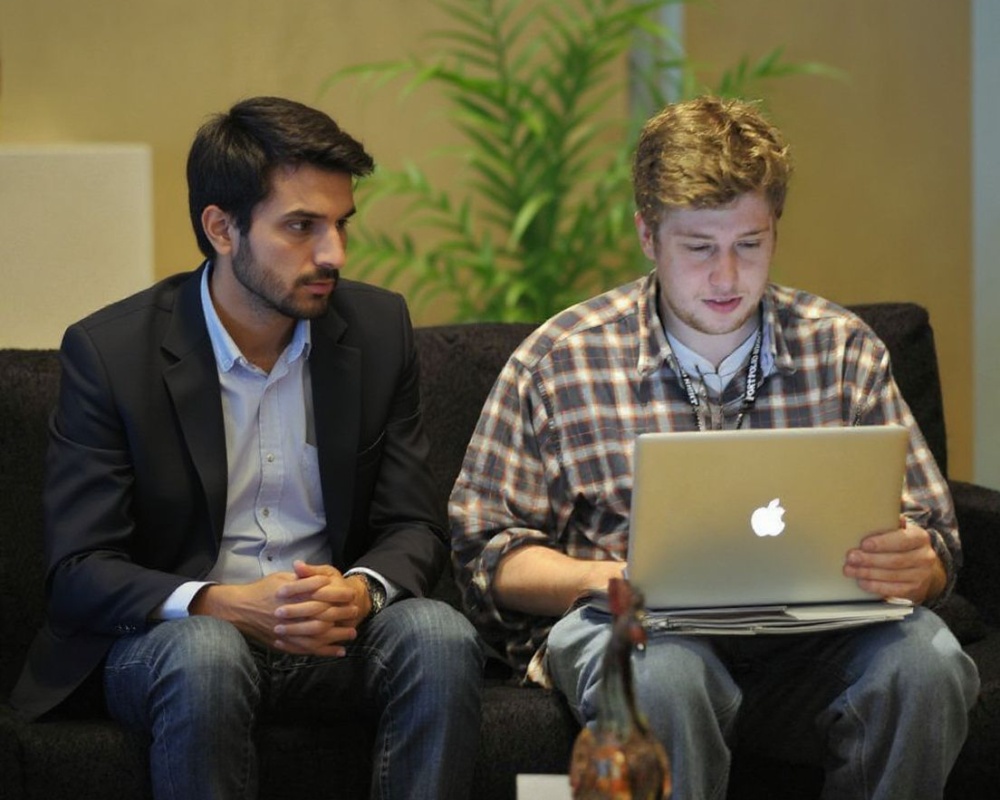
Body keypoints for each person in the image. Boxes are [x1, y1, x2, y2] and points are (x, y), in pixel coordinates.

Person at [450, 96, 979, 798]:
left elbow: (936, 540)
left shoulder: (842, 349)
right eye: (699, 248)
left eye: (749, 245)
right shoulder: (560, 360)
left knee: (929, 662)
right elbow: (486, 554)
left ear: (775, 232)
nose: (727, 278)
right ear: (648, 234)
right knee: (666, 675)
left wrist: (920, 563)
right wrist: (598, 580)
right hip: (639, 633)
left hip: (817, 636)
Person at [11, 96, 483, 800]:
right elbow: (80, 569)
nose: (334, 254)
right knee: (207, 655)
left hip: (335, 635)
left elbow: (414, 525)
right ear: (221, 228)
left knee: (439, 636)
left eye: (340, 225)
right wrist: (223, 605)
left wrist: (358, 592)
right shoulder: (112, 354)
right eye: (301, 226)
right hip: (177, 643)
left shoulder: (379, 331)